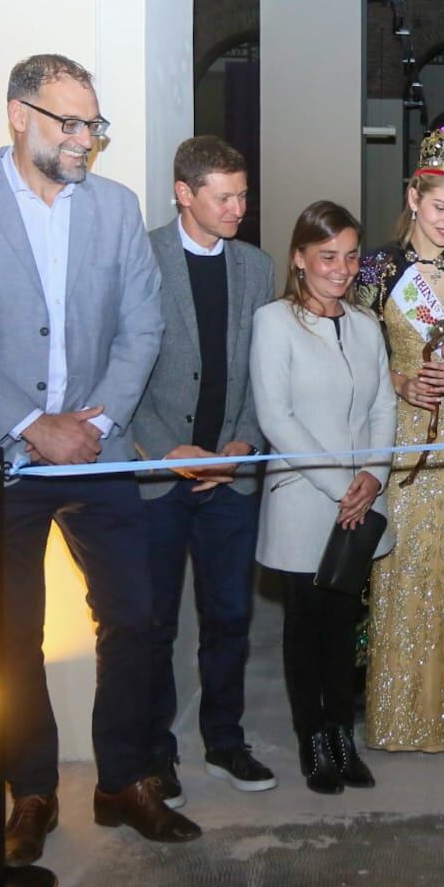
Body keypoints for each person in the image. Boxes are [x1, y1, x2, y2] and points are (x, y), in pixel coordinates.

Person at [0, 53, 197, 864]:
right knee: (11, 633)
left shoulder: (113, 208)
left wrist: (94, 421)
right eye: (69, 122)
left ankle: (122, 781)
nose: (85, 140)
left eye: (93, 125)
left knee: (136, 615)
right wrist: (34, 424)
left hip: (98, 452)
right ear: (18, 114)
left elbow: (144, 326)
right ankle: (30, 792)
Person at [132, 136, 277, 807]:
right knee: (154, 622)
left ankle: (225, 739)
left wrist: (241, 443)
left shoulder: (256, 266)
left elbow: (259, 368)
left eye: (243, 194)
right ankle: (156, 754)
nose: (238, 208)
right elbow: (121, 367)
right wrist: (168, 452)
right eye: (224, 196)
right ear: (184, 193)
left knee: (229, 616)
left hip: (231, 477)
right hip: (159, 478)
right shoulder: (140, 257)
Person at [356, 124, 444, 751]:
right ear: (414, 197)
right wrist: (395, 379)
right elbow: (349, 357)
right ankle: (396, 712)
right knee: (398, 568)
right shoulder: (376, 270)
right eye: (439, 206)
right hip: (400, 439)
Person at [252, 201, 395, 793]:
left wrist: (376, 477)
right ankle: (312, 739)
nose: (340, 268)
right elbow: (277, 418)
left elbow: (385, 404)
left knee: (343, 628)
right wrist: (345, 487)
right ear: (300, 258)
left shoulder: (366, 325)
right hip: (303, 500)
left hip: (360, 501)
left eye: (350, 256)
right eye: (327, 256)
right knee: (305, 629)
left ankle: (342, 735)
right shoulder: (274, 321)